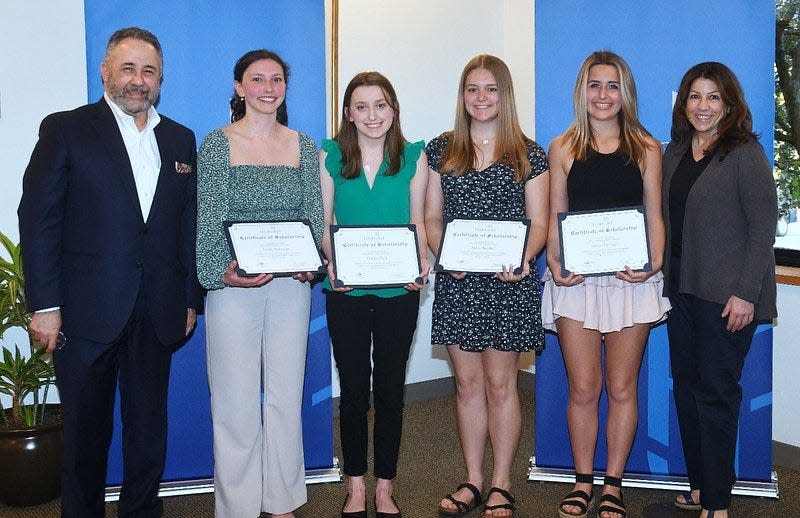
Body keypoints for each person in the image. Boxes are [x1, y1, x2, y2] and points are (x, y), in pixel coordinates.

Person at [17, 27, 202, 518]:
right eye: (128, 68)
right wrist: (45, 306)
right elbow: (38, 220)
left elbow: (187, 226)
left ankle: (141, 511)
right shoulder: (66, 129)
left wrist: (189, 299)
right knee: (85, 437)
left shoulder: (180, 139)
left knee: (147, 430)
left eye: (148, 71)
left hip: (157, 310)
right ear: (105, 72)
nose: (137, 81)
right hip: (84, 314)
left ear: (160, 79)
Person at [541, 51, 670, 518]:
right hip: (575, 285)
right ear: (582, 91)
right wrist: (555, 262)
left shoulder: (647, 148)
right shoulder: (563, 147)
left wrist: (653, 265)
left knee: (621, 388)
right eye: (594, 85)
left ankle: (612, 485)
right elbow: (556, 215)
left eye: (612, 86)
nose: (602, 95)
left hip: (630, 284)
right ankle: (582, 482)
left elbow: (654, 214)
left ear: (625, 93)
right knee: (582, 388)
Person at [196, 49, 323, 518]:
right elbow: (207, 221)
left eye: (276, 80)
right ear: (239, 87)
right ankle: (239, 506)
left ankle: (282, 500)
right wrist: (219, 271)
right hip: (232, 288)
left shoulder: (304, 146)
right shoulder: (216, 144)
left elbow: (313, 215)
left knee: (286, 396)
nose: (268, 88)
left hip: (291, 287)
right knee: (234, 400)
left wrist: (315, 263)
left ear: (285, 87)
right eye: (257, 79)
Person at [425, 54, 549, 518]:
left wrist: (524, 259)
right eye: (473, 89)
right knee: (466, 385)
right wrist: (446, 255)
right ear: (463, 96)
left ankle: (501, 483)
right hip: (459, 284)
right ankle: (473, 479)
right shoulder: (441, 150)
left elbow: (538, 224)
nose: (481, 98)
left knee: (501, 385)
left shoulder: (528, 153)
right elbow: (432, 218)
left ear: (505, 95)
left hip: (507, 284)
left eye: (491, 89)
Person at [663, 62, 777, 518]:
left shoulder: (745, 153)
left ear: (729, 104)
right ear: (683, 102)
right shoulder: (673, 152)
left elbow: (762, 228)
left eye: (713, 97)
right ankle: (700, 487)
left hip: (728, 299)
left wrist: (746, 293)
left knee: (716, 394)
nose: (703, 106)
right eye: (695, 96)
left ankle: (718, 503)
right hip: (681, 294)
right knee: (687, 390)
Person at [320, 71, 428, 518]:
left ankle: (385, 486)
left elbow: (419, 220)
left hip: (397, 292)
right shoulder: (328, 155)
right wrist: (333, 263)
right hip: (344, 290)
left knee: (389, 389)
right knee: (354, 391)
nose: (371, 115)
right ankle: (356, 486)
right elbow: (326, 226)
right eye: (361, 107)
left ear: (393, 109)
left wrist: (422, 266)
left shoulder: (415, 156)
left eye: (380, 105)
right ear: (348, 113)